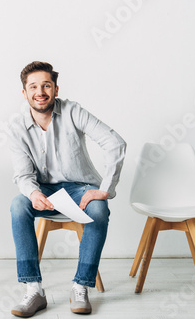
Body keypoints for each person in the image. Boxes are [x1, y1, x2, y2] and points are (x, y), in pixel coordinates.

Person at [8, 61, 126, 317]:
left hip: (79, 188)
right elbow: (23, 174)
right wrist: (34, 193)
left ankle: (81, 286)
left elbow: (115, 142)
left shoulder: (73, 111)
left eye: (46, 85)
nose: (40, 91)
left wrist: (105, 189)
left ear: (56, 89)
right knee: (18, 204)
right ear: (25, 92)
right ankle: (34, 289)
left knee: (98, 208)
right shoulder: (16, 127)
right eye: (34, 86)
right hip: (43, 191)